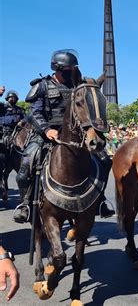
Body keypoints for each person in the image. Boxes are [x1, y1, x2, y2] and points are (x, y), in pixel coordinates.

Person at [13, 49, 115, 223]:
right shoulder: (42, 85)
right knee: (26, 165)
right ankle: (25, 204)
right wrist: (46, 130)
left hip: (75, 133)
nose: (72, 72)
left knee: (105, 159)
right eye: (70, 70)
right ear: (58, 68)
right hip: (45, 134)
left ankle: (100, 200)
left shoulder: (78, 85)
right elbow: (34, 113)